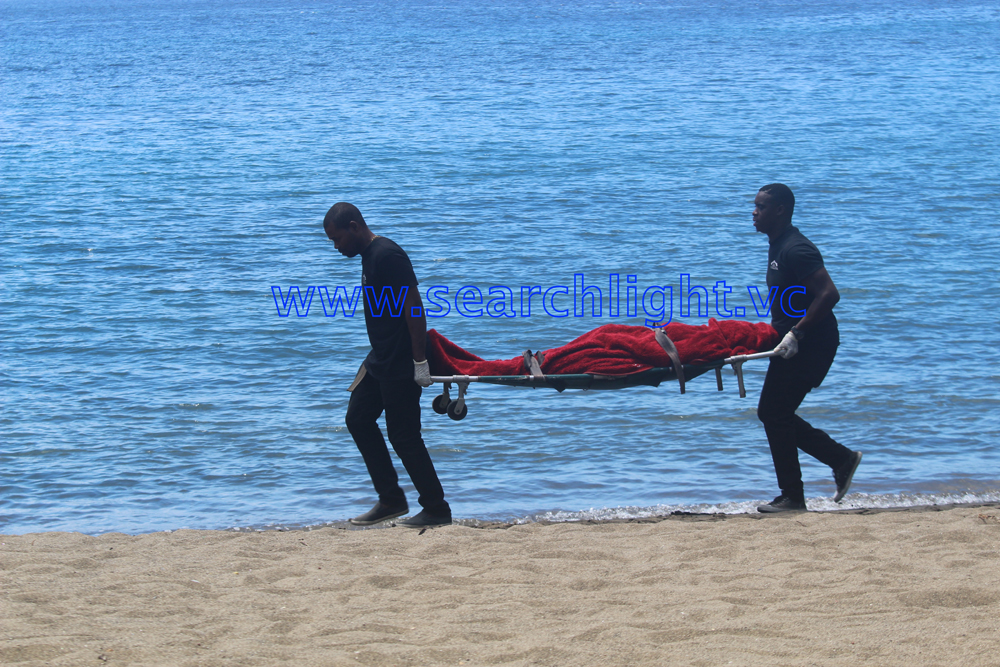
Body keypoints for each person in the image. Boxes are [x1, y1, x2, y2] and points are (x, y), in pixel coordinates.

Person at [323, 202, 452, 528]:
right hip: (379, 359)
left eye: (337, 239)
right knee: (358, 419)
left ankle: (436, 508)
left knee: (404, 435)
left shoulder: (387, 255)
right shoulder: (369, 257)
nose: (336, 247)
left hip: (400, 362)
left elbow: (414, 308)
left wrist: (419, 362)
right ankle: (391, 499)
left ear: (354, 227)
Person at [751, 184, 862, 513]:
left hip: (811, 344)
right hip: (795, 343)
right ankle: (838, 460)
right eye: (755, 206)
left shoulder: (796, 248)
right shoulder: (778, 245)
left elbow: (829, 294)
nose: (753, 212)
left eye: (760, 207)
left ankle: (794, 496)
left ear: (780, 210)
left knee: (773, 413)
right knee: (774, 413)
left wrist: (796, 334)